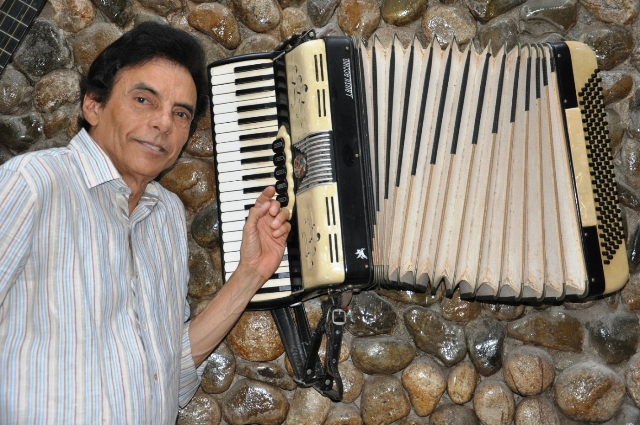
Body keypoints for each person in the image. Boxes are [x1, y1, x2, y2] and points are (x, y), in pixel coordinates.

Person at [0, 22, 290, 424]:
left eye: (180, 113)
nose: (163, 123)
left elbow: (170, 372)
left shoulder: (166, 215)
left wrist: (251, 273)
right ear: (93, 105)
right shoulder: (32, 183)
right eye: (143, 100)